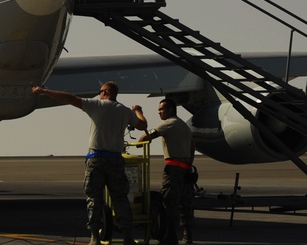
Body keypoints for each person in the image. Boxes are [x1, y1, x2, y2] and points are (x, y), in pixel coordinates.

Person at [33, 82, 147, 245]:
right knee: (120, 199)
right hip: (115, 159)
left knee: (94, 199)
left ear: (106, 92)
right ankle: (128, 236)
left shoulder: (96, 105)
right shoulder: (124, 111)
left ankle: (95, 237)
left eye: (100, 91)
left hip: (96, 158)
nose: (98, 94)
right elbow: (143, 125)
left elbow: (68, 98)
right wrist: (138, 111)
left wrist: (44, 91)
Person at [142, 98, 194, 245]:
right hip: (187, 169)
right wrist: (189, 164)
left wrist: (140, 142)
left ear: (171, 110)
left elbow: (148, 135)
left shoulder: (169, 123)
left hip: (174, 169)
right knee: (186, 204)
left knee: (169, 202)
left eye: (161, 109)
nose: (159, 112)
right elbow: (192, 147)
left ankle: (170, 236)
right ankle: (187, 235)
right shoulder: (184, 125)